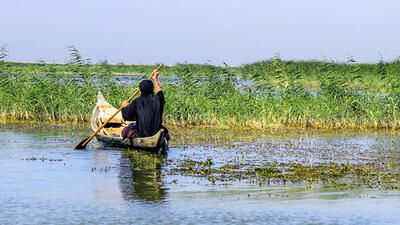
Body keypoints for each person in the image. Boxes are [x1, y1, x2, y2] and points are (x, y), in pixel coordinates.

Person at [121, 71, 168, 139]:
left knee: (126, 129)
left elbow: (127, 116)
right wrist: (155, 79)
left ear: (140, 91)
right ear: (152, 89)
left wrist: (124, 107)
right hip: (156, 132)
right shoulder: (158, 99)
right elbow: (159, 92)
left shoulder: (137, 101)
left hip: (141, 135)